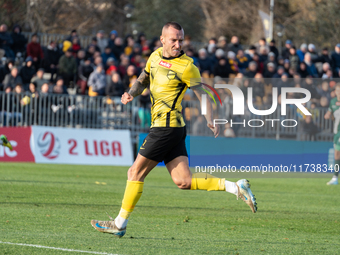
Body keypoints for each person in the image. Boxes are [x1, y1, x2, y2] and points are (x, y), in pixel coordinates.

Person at [90, 22, 257, 238]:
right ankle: (236, 188)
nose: (178, 44)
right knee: (183, 181)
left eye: (181, 40)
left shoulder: (188, 66)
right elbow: (143, 78)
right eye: (174, 40)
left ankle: (120, 223)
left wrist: (211, 119)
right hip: (173, 129)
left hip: (165, 128)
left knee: (134, 172)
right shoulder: (154, 56)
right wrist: (131, 93)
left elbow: (202, 95)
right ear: (162, 39)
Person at [325, 84, 340, 185]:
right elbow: (328, 114)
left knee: (337, 153)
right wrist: (327, 116)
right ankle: (335, 177)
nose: (339, 92)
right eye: (337, 90)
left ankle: (335, 177)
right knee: (336, 155)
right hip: (336, 132)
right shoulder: (333, 102)